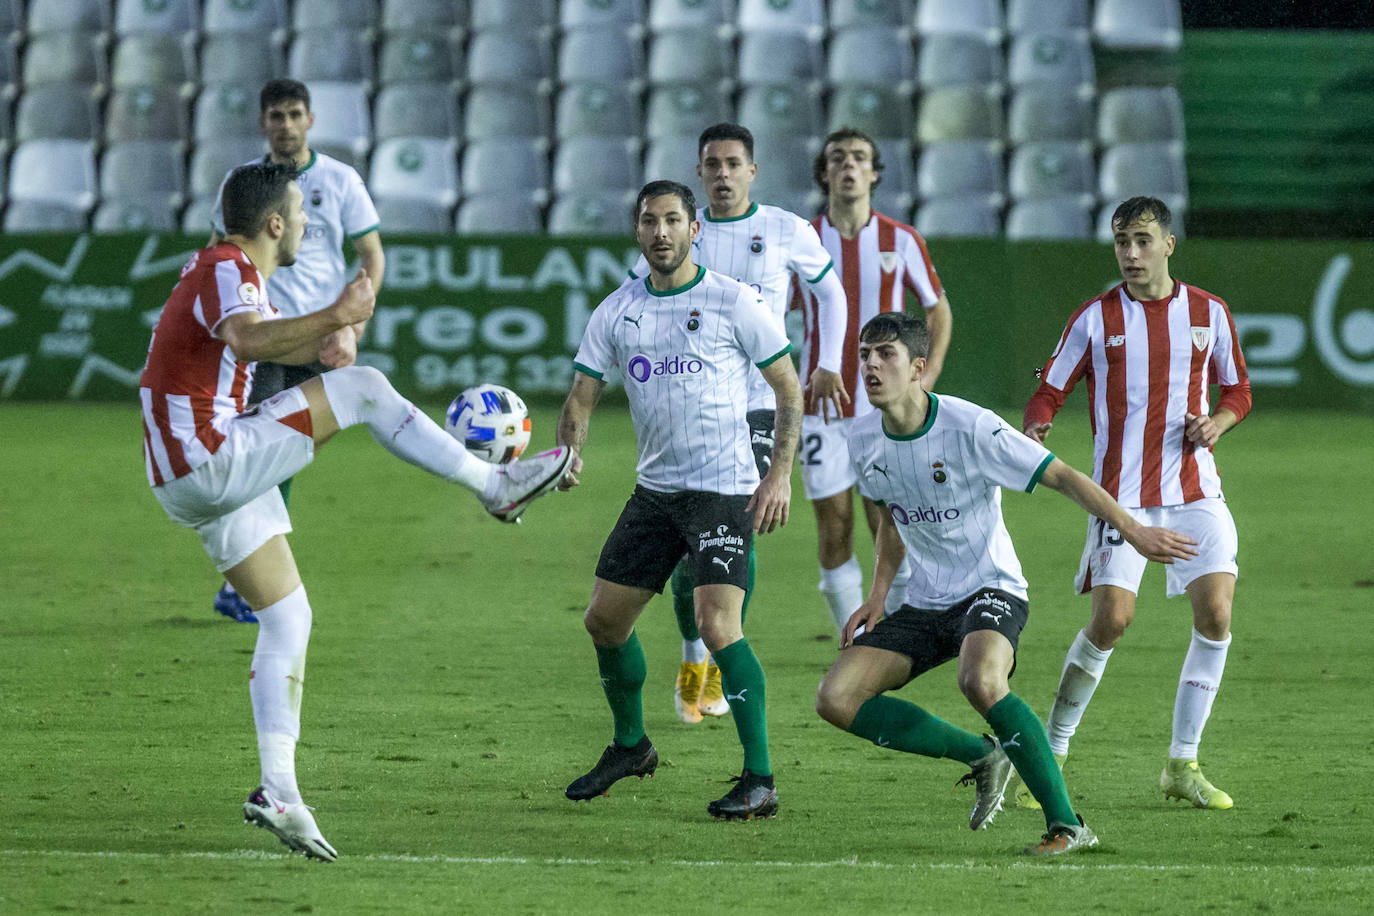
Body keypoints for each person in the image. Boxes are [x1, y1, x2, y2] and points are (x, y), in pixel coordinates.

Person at [140, 162, 572, 861]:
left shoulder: (225, 271)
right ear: (274, 224)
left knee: (288, 616)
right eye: (303, 210)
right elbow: (248, 339)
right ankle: (495, 488)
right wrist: (339, 319)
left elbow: (255, 339)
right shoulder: (228, 265)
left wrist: (322, 340)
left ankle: (277, 790)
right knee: (366, 388)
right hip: (209, 453)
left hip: (188, 473)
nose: (310, 221)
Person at [814, 312, 1198, 855]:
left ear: (919, 368)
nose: (871, 365)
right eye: (864, 356)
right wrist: (878, 595)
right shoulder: (861, 440)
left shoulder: (972, 427)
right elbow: (892, 521)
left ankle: (1068, 826)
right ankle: (983, 753)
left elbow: (1062, 474)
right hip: (925, 602)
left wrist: (1134, 531)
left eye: (886, 355)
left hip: (991, 588)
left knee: (982, 682)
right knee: (835, 697)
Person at [559, 180, 803, 819]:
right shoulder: (617, 310)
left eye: (672, 220)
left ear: (696, 229)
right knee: (604, 622)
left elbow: (788, 389)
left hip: (723, 490)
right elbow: (582, 395)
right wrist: (570, 452)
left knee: (719, 625)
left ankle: (760, 778)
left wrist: (777, 476)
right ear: (637, 232)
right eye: (648, 221)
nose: (660, 232)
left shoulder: (733, 301)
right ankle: (631, 745)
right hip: (656, 493)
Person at [1010, 196, 1252, 811]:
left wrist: (1218, 422)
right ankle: (1053, 753)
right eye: (1122, 242)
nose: (1131, 253)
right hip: (1121, 497)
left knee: (1216, 615)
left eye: (1143, 240)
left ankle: (1182, 763)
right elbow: (1050, 389)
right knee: (1112, 620)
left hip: (1196, 491)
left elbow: (1239, 389)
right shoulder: (1095, 318)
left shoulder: (1209, 312)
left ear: (1169, 244)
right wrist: (1036, 425)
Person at [629, 122, 849, 725]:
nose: (722, 173)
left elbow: (831, 295)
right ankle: (694, 654)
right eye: (712, 164)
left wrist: (827, 364)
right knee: (683, 551)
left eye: (733, 163)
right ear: (699, 173)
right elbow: (637, 301)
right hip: (690, 414)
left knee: (736, 526)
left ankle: (717, 656)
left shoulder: (784, 230)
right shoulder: (678, 234)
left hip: (758, 406)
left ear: (752, 171)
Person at [209, 78, 387, 623]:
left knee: (284, 457)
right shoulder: (242, 185)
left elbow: (371, 256)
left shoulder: (338, 180)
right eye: (276, 115)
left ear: (309, 120)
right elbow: (221, 255)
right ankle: (247, 584)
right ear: (263, 123)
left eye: (294, 114)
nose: (285, 124)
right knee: (261, 457)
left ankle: (246, 579)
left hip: (320, 338)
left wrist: (352, 328)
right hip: (263, 340)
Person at [793, 127, 953, 635]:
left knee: (891, 521)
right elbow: (771, 312)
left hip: (884, 409)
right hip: (821, 407)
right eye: (837, 157)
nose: (848, 166)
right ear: (824, 173)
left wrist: (928, 372)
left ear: (875, 173)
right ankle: (854, 640)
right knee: (833, 525)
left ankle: (898, 632)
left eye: (859, 158)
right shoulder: (802, 239)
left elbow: (938, 308)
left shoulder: (900, 241)